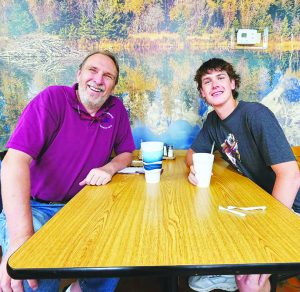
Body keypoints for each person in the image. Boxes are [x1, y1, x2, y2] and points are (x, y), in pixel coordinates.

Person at [0, 50, 135, 292]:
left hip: (82, 207)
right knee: (34, 271)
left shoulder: (116, 109)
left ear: (113, 85)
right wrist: (21, 235)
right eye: (92, 71)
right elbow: (13, 161)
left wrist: (109, 167)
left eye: (108, 76)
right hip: (36, 206)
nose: (98, 80)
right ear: (79, 74)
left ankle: (79, 288)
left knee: (117, 245)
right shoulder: (52, 99)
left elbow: (126, 153)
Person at [186, 58, 300, 292]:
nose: (214, 85)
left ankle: (245, 273)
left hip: (290, 209)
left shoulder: (255, 114)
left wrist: (269, 233)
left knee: (250, 283)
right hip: (258, 204)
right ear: (202, 93)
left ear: (233, 84)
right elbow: (192, 153)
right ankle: (228, 268)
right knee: (210, 220)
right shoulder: (213, 122)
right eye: (207, 81)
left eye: (221, 78)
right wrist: (194, 169)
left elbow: (290, 176)